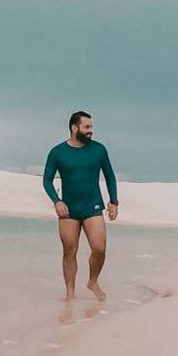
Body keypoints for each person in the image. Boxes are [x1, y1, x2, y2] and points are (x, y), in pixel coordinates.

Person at [42, 111, 119, 301]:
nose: (90, 131)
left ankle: (93, 281)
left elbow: (109, 175)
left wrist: (114, 201)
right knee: (69, 251)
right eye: (87, 127)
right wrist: (56, 201)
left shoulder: (99, 150)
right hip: (68, 210)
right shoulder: (57, 152)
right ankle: (70, 292)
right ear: (74, 128)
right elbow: (47, 180)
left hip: (92, 206)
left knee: (99, 248)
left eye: (91, 127)